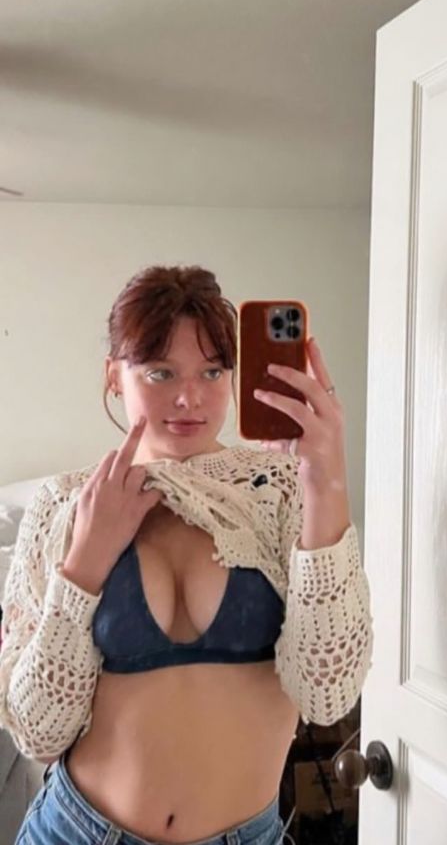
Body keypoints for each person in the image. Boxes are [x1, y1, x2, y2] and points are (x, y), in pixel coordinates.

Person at [0, 265, 373, 845]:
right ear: (114, 377)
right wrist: (85, 565)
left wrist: (326, 480)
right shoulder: (66, 504)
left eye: (212, 371)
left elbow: (327, 694)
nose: (189, 397)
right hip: (74, 831)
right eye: (160, 371)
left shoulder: (279, 492)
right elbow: (37, 734)